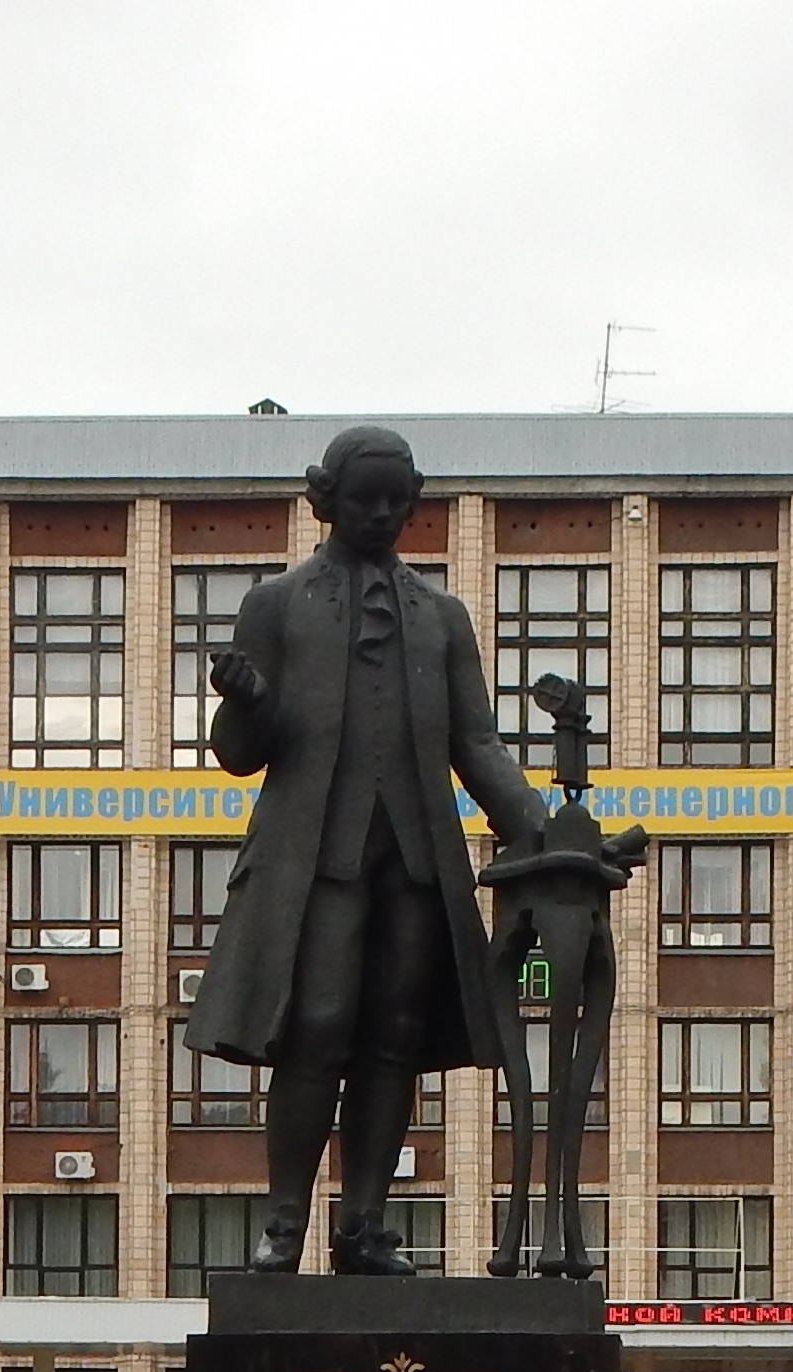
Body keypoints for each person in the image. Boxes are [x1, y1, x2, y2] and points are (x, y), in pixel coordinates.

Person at [183, 423, 549, 1275]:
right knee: (315, 1027)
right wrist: (241, 701)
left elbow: (478, 743)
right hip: (313, 861)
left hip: (416, 860)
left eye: (397, 500)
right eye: (363, 499)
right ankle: (284, 1223)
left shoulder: (442, 618)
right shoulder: (277, 604)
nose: (382, 514)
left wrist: (536, 825)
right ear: (326, 501)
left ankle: (365, 1225)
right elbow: (241, 753)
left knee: (392, 1034)